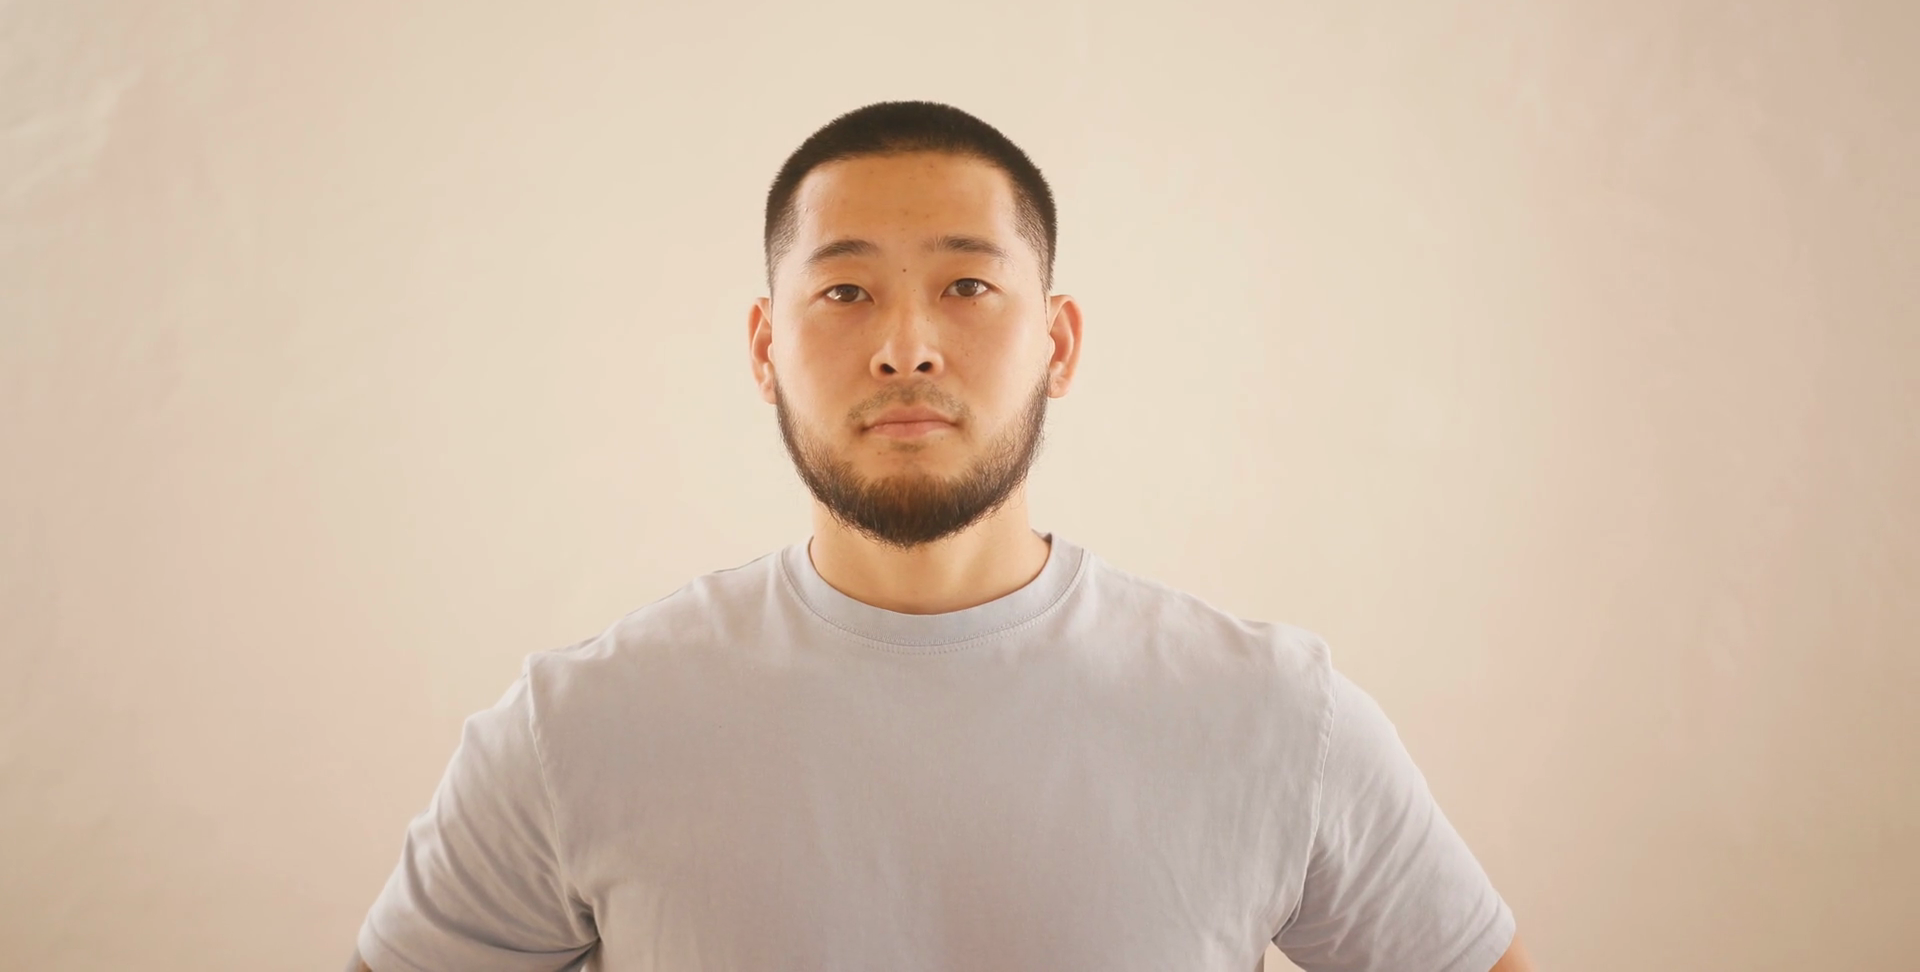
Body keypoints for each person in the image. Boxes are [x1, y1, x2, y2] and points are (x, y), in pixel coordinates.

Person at [347, 100, 1536, 972]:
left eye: (967, 287)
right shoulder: (578, 730)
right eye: (844, 291)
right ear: (765, 346)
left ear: (1057, 343)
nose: (905, 346)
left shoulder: (1274, 716)